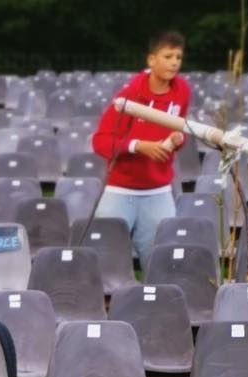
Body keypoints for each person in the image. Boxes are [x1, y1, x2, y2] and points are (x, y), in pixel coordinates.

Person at [91, 31, 192, 267]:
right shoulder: (128, 96)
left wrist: (178, 140)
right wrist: (138, 147)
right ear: (151, 60)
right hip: (120, 189)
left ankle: (155, 302)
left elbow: (181, 130)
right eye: (168, 56)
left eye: (178, 56)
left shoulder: (182, 92)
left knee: (162, 259)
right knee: (104, 258)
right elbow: (101, 142)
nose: (175, 62)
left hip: (159, 190)